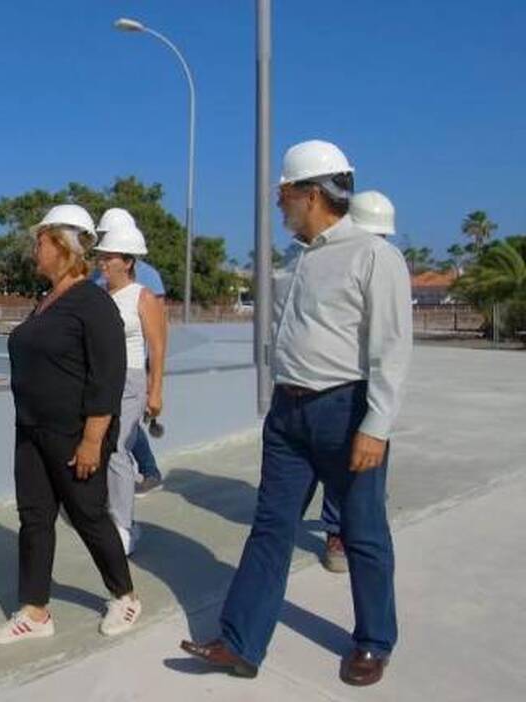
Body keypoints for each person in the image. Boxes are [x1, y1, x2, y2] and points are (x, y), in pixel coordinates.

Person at [181, 140, 412, 687]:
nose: (278, 206)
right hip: (289, 414)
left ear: (310, 194)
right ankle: (240, 643)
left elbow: (391, 350)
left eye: (283, 195)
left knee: (362, 530)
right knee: (270, 526)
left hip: (345, 409)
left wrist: (375, 427)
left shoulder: (373, 256)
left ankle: (374, 641)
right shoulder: (298, 260)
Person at [0, 204, 140, 644]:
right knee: (34, 518)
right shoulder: (46, 301)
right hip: (32, 430)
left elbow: (108, 375)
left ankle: (124, 595)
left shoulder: (92, 302)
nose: (34, 249)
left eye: (40, 241)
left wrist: (94, 438)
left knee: (89, 514)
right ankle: (35, 612)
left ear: (62, 245)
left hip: (74, 433)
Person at [315, 189, 397, 573]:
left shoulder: (383, 264)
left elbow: (392, 347)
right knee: (337, 471)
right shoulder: (334, 265)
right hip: (335, 388)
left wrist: (380, 419)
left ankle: (355, 530)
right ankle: (336, 530)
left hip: (364, 386)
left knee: (362, 478)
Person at [90, 208, 167, 554]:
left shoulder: (143, 296)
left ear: (128, 261)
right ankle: (110, 513)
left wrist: (155, 390)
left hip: (131, 380)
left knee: (119, 447)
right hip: (101, 380)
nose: (103, 263)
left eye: (109, 258)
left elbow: (158, 345)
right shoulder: (99, 296)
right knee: (102, 447)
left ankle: (123, 525)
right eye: (101, 257)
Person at [95, 256, 167, 493]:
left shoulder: (149, 280)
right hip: (102, 372)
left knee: (120, 438)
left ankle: (146, 474)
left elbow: (158, 330)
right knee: (113, 435)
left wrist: (153, 384)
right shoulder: (97, 278)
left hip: (132, 368)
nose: (103, 259)